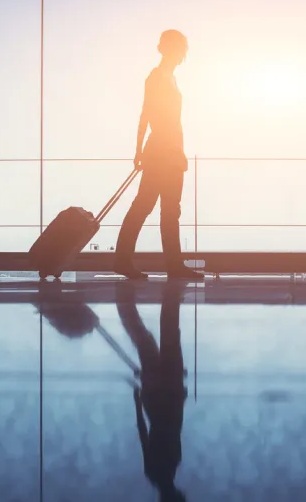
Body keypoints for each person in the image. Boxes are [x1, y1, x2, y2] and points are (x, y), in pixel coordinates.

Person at [114, 29, 203, 280]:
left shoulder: (170, 78)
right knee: (145, 206)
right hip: (161, 152)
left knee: (168, 210)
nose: (181, 54)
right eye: (179, 48)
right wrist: (138, 150)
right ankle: (124, 260)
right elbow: (146, 115)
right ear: (168, 49)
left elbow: (175, 122)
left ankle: (172, 265)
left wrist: (178, 150)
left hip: (172, 152)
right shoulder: (156, 77)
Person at [116, 281, 188, 502]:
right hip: (158, 397)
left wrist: (179, 396)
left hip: (167, 393)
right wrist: (139, 399)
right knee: (146, 342)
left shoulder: (165, 468)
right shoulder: (158, 472)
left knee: (163, 339)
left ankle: (129, 304)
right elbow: (146, 432)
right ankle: (126, 305)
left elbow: (165, 429)